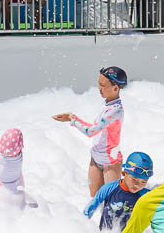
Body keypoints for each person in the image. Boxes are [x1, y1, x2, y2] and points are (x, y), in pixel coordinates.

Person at [53, 66, 126, 197]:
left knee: (112, 201)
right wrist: (73, 118)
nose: (99, 88)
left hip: (110, 161)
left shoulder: (115, 110)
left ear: (115, 88)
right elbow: (95, 128)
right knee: (94, 198)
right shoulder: (107, 105)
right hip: (96, 157)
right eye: (98, 84)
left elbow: (90, 132)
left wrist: (72, 119)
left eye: (103, 85)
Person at [83, 151, 153, 232]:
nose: (138, 185)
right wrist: (82, 226)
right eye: (134, 180)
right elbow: (91, 206)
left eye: (143, 182)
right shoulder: (109, 188)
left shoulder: (145, 194)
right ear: (124, 173)